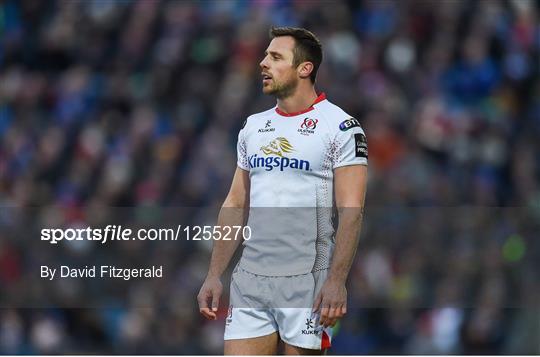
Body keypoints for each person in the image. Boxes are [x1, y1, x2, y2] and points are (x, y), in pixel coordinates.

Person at [197, 27, 368, 355]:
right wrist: (214, 274)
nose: (263, 63)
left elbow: (351, 210)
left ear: (305, 69)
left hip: (307, 280)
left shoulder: (341, 127)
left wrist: (336, 281)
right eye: (265, 55)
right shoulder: (253, 127)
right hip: (251, 277)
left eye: (275, 57)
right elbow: (235, 202)